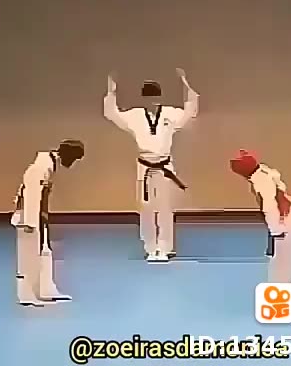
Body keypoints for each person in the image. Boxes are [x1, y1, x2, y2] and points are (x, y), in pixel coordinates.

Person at [103, 68, 199, 262]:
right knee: (146, 208)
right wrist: (111, 91)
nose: (152, 100)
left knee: (165, 208)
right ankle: (150, 247)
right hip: (145, 166)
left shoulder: (170, 113)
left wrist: (187, 87)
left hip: (164, 166)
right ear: (143, 98)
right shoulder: (135, 115)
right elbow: (112, 114)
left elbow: (190, 113)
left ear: (160, 97)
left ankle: (165, 247)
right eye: (148, 96)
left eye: (155, 96)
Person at [11, 139, 85, 306]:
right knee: (29, 256)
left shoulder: (49, 164)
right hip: (28, 217)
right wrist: (30, 222)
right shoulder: (41, 167)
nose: (73, 163)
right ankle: (26, 294)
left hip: (38, 215)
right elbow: (31, 194)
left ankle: (46, 289)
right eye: (74, 159)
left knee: (44, 251)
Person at [230, 149, 291, 284]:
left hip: (282, 223)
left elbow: (270, 206)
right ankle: (284, 282)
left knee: (282, 261)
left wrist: (276, 230)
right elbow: (275, 178)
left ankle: (281, 285)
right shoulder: (264, 173)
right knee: (285, 257)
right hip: (288, 218)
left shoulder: (261, 182)